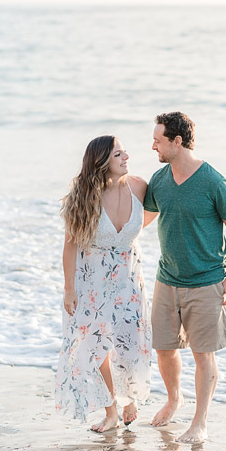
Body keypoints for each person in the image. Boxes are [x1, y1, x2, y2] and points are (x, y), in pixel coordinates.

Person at [143, 112, 226, 443]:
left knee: (203, 354)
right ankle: (174, 399)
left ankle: (200, 422)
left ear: (177, 141)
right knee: (163, 347)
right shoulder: (159, 181)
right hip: (167, 279)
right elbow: (141, 220)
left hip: (206, 282)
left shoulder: (214, 182)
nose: (153, 145)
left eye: (158, 139)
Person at [55, 136, 152, 432]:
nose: (126, 157)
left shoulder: (140, 187)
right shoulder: (84, 197)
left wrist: (126, 240)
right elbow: (70, 245)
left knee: (130, 343)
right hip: (93, 282)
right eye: (118, 154)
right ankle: (111, 410)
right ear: (101, 163)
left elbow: (151, 216)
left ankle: (130, 398)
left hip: (130, 280)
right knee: (97, 347)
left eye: (124, 152)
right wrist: (69, 290)